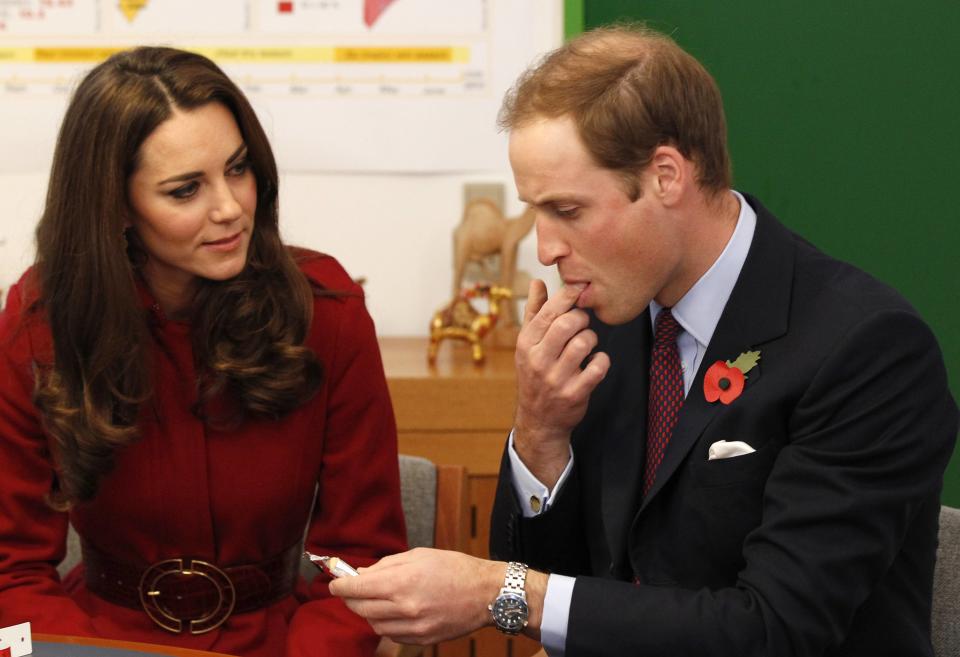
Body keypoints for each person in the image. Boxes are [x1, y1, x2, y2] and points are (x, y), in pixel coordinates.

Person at [329, 24, 959, 656]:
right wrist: (541, 433)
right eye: (536, 211)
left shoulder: (869, 350)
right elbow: (560, 586)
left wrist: (499, 589)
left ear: (665, 176)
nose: (544, 249)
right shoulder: (610, 316)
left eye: (568, 212)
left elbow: (774, 631)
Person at [0, 47, 406, 656]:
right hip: (92, 645)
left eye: (238, 169)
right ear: (114, 207)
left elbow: (363, 559)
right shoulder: (40, 324)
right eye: (185, 189)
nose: (229, 208)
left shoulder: (327, 311)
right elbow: (10, 576)